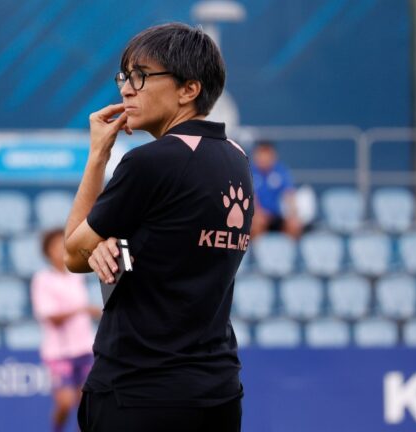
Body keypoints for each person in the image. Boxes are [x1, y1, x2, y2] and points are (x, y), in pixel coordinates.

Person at [63, 23, 251, 432]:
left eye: (142, 76)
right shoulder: (237, 160)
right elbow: (170, 244)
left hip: (139, 392)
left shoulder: (152, 161)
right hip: (217, 391)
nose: (127, 89)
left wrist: (98, 155)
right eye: (125, 77)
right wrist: (111, 242)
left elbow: (72, 254)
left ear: (189, 90)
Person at [31, 228, 101, 432]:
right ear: (47, 252)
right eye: (55, 246)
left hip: (84, 348)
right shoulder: (42, 279)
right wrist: (82, 309)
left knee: (86, 404)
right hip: (59, 352)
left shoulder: (76, 276)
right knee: (65, 402)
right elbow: (50, 317)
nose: (60, 250)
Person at [250, 140, 303, 239]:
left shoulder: (281, 171)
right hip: (259, 215)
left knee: (294, 224)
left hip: (278, 216)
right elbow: (251, 199)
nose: (264, 158)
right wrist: (258, 213)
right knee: (256, 222)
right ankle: (257, 253)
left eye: (267, 154)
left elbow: (289, 195)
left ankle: (286, 252)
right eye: (261, 154)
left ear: (273, 156)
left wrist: (292, 214)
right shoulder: (249, 172)